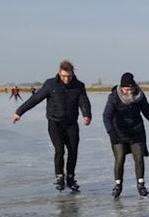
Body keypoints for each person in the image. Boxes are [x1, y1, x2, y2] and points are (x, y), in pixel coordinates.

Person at [12, 60, 92, 192]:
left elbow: (84, 102)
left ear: (73, 74)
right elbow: (35, 99)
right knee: (59, 150)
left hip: (71, 124)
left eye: (69, 76)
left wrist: (86, 115)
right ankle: (60, 177)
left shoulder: (78, 86)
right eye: (64, 76)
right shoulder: (51, 84)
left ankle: (70, 178)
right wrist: (19, 112)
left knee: (73, 151)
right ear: (59, 73)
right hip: (55, 123)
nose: (66, 79)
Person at [103, 73, 149, 198]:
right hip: (118, 133)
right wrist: (111, 132)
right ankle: (118, 185)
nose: (129, 92)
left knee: (139, 158)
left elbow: (147, 111)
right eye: (126, 89)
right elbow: (106, 116)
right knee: (120, 159)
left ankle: (141, 185)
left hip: (136, 131)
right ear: (121, 88)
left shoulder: (139, 96)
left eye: (131, 89)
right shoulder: (114, 97)